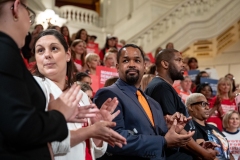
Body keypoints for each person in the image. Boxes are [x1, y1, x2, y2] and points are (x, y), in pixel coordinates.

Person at [0, 0, 85, 159]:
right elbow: (20, 127)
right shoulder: (4, 50)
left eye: (54, 48)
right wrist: (58, 115)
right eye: (30, 16)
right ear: (16, 9)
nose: (47, 55)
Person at [32, 29, 127, 159]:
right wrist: (89, 131)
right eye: (40, 50)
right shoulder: (33, 87)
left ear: (68, 55)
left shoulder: (81, 94)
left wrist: (97, 129)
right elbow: (36, 144)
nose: (47, 55)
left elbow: (95, 152)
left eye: (54, 48)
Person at [94, 44, 195, 160]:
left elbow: (162, 144)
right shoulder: (108, 94)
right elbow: (113, 139)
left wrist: (173, 132)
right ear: (117, 66)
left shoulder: (153, 103)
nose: (132, 64)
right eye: (126, 60)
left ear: (144, 66)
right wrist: (163, 141)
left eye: (137, 60)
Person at [145, 49, 218, 160]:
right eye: (178, 60)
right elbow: (175, 128)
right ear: (165, 64)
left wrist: (198, 147)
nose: (183, 65)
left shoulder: (164, 87)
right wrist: (203, 153)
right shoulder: (161, 88)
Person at [186, 93, 231, 160]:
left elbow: (227, 152)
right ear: (191, 107)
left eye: (207, 104)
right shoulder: (191, 127)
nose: (207, 107)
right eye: (203, 104)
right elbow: (206, 155)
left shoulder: (213, 127)